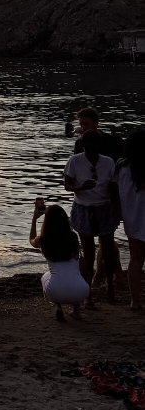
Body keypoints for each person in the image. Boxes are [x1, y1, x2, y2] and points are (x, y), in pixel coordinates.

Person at [64, 130, 116, 304]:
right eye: (88, 148)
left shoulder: (108, 162)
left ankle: (110, 286)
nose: (92, 152)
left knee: (108, 250)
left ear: (100, 147)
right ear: (83, 147)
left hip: (104, 207)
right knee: (89, 253)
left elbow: (113, 187)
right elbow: (67, 185)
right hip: (83, 208)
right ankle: (88, 292)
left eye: (95, 148)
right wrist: (81, 187)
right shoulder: (75, 161)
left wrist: (117, 209)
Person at [29, 199, 90, 320]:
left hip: (55, 291)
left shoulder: (43, 240)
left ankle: (58, 307)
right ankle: (76, 311)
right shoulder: (73, 237)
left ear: (47, 221)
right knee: (74, 273)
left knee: (45, 277)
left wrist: (34, 219)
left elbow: (31, 239)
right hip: (82, 292)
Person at [116, 127, 145, 311]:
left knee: (136, 259)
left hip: (132, 219)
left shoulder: (121, 167)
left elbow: (114, 190)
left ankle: (135, 301)